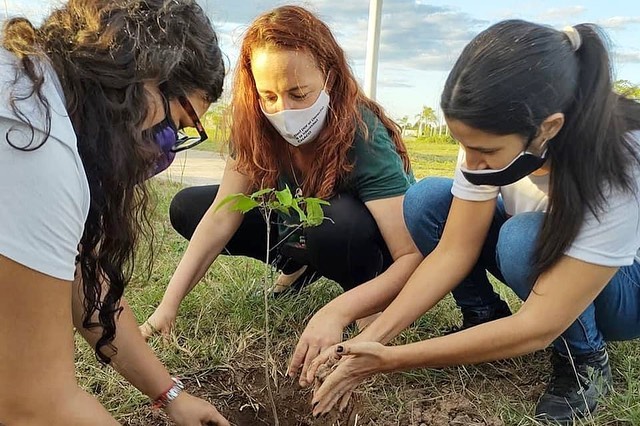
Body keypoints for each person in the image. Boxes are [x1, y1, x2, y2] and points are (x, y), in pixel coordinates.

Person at [306, 20, 640, 425]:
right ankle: (484, 318)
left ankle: (586, 358)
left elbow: (537, 326)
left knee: (522, 238)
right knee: (429, 199)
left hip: (625, 289)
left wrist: (391, 360)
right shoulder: (488, 143)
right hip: (545, 250)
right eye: (464, 146)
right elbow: (453, 251)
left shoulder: (623, 157)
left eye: (485, 150)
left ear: (548, 128)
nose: (471, 162)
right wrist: (366, 341)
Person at [140, 5, 423, 384]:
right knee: (190, 206)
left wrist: (339, 312)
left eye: (299, 93)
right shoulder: (256, 127)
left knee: (333, 225)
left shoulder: (362, 134)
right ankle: (301, 264)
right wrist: (167, 307)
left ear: (330, 78)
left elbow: (410, 256)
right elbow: (222, 216)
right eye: (269, 95)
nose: (283, 110)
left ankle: (363, 296)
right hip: (306, 230)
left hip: (367, 242)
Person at [0, 0, 230, 424]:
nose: (164, 150)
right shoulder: (32, 143)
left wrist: (171, 396)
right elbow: (35, 406)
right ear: (135, 74)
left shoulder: (33, 95)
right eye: (175, 125)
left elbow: (82, 278)